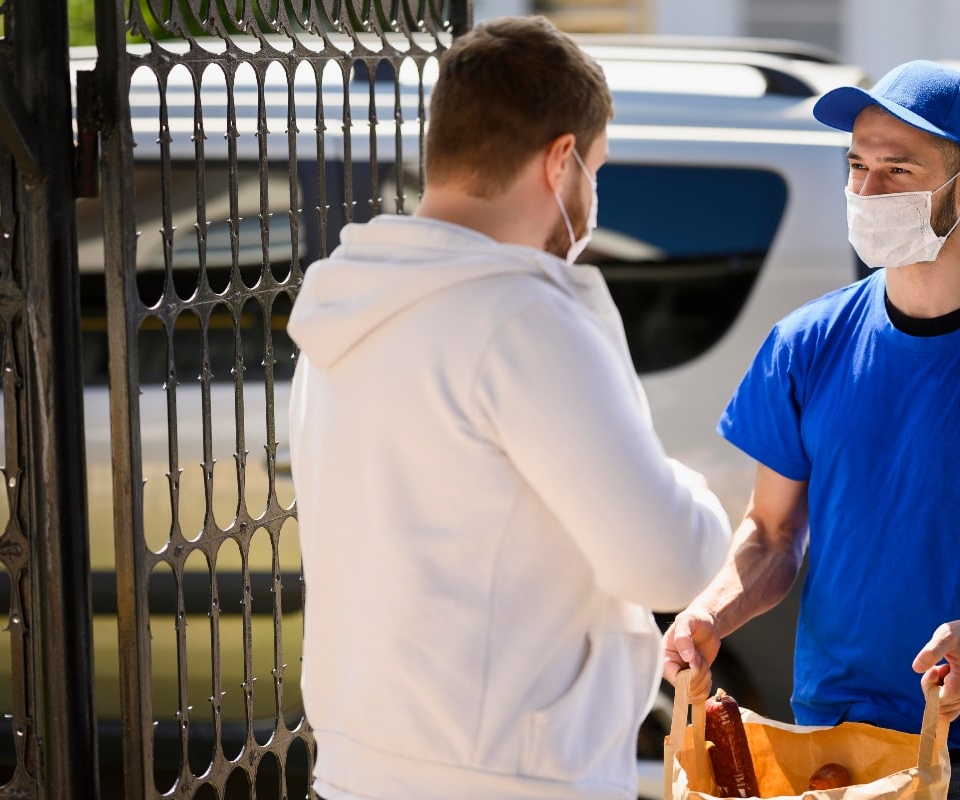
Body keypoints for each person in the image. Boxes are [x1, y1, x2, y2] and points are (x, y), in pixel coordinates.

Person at [662, 60, 960, 800]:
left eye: (896, 170)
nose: (867, 191)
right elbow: (772, 535)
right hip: (824, 742)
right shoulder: (806, 344)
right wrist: (708, 615)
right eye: (857, 166)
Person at [286, 15, 732, 800]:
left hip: (361, 766)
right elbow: (670, 560)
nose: (593, 195)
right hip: (506, 774)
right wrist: (690, 487)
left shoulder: (349, 308)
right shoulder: (524, 319)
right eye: (595, 168)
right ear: (562, 161)